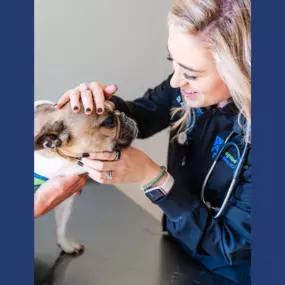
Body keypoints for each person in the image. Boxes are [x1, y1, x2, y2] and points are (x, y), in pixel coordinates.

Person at [42, 0, 251, 283]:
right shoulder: (186, 89)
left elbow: (233, 245)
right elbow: (140, 117)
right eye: (173, 63)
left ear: (241, 69)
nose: (176, 82)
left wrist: (153, 178)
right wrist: (95, 106)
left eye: (190, 73)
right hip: (175, 250)